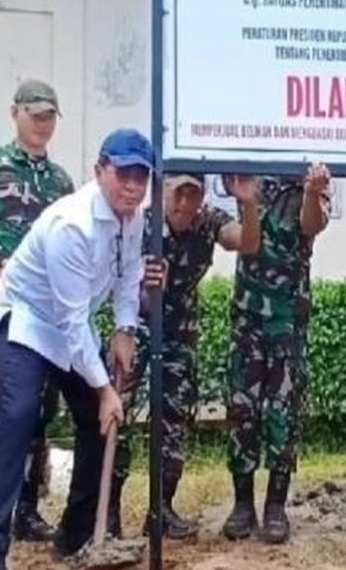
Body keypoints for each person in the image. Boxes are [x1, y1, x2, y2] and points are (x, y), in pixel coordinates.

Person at [0, 128, 156, 570]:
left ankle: (76, 536)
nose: (133, 185)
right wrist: (105, 389)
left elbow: (128, 277)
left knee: (99, 421)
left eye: (141, 176)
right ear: (100, 171)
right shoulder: (72, 225)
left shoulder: (133, 218)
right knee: (17, 418)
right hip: (28, 322)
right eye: (124, 174)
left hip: (72, 325)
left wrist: (125, 330)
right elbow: (70, 321)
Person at [0, 79, 76, 542]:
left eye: (49, 116)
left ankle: (25, 509)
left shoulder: (61, 182)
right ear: (15, 113)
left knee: (36, 408)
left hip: (41, 317)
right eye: (34, 114)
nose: (42, 123)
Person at [111, 173, 261, 539]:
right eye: (178, 193)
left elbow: (247, 242)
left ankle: (161, 510)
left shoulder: (208, 221)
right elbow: (115, 279)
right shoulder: (140, 224)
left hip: (179, 334)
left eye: (192, 194)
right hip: (137, 328)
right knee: (117, 415)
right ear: (163, 191)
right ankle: (109, 512)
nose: (183, 203)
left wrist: (249, 202)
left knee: (174, 420)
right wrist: (145, 290)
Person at [221, 164, 331, 545]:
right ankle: (242, 504)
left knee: (283, 411)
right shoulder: (251, 170)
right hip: (247, 316)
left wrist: (312, 191)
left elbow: (312, 225)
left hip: (287, 319)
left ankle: (275, 506)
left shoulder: (312, 176)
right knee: (242, 408)